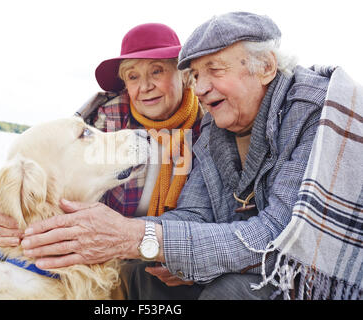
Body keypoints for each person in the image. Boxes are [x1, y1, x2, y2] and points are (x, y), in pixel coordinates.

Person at [19, 12, 339, 300]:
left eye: (213, 70)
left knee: (226, 292)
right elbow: (194, 213)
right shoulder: (107, 117)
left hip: (307, 269)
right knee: (137, 275)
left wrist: (146, 240)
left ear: (267, 66)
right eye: (197, 75)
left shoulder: (316, 114)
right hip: (223, 250)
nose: (201, 88)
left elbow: (278, 234)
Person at [0, 23, 203, 295]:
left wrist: (186, 253)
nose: (145, 86)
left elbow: (218, 214)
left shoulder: (210, 127)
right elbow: (42, 165)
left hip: (172, 257)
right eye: (132, 76)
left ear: (183, 74)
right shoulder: (99, 118)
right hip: (108, 257)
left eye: (157, 71)